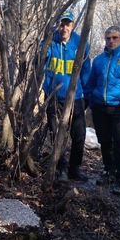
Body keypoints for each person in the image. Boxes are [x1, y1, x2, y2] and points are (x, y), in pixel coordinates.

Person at [84, 25, 120, 195]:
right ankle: (109, 170)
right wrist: (87, 103)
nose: (111, 41)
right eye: (108, 38)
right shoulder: (99, 60)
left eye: (114, 38)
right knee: (104, 141)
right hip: (99, 107)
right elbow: (91, 84)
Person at [42, 11, 91, 182]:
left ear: (72, 25)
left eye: (67, 24)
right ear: (57, 25)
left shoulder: (81, 43)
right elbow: (38, 63)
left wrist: (87, 94)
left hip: (76, 96)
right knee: (56, 135)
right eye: (61, 24)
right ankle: (60, 169)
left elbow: (86, 70)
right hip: (53, 96)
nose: (64, 28)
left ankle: (74, 168)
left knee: (79, 135)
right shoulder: (49, 42)